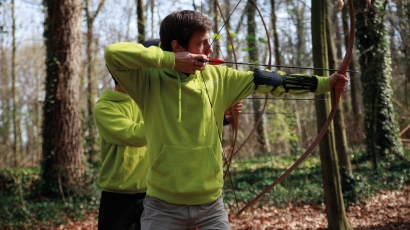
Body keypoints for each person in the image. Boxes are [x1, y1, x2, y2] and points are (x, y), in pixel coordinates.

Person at [104, 10, 349, 229]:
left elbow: (271, 80)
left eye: (209, 42)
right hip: (162, 207)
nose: (210, 50)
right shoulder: (148, 81)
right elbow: (112, 53)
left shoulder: (219, 77)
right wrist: (170, 61)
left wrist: (325, 84)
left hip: (211, 206)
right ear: (178, 47)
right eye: (202, 43)